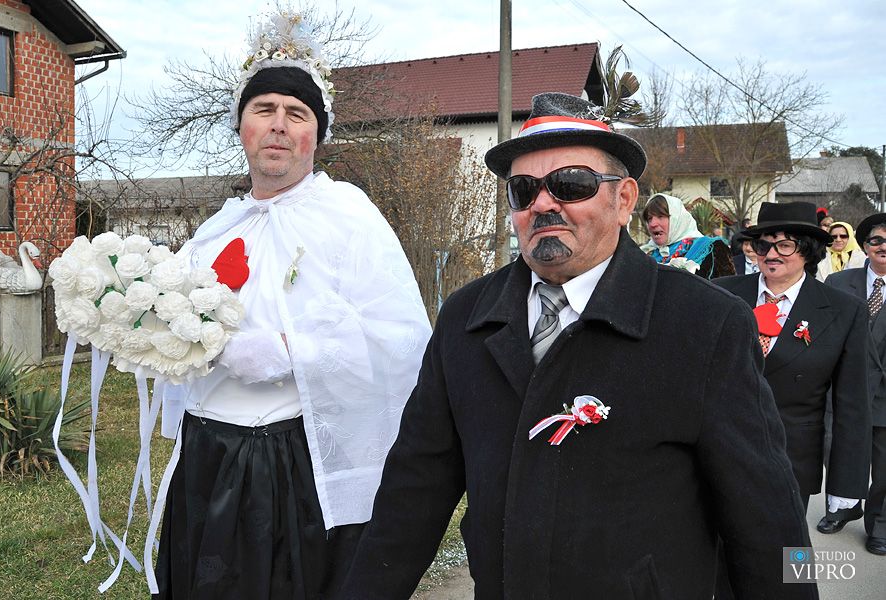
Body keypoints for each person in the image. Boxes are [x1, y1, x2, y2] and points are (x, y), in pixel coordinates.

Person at [339, 93, 816, 599]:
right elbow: (413, 489)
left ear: (624, 200)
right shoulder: (466, 318)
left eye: (571, 184)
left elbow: (771, 514)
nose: (543, 203)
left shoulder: (705, 322)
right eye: (523, 190)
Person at [152, 13, 432, 599]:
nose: (278, 126)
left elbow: (402, 339)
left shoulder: (348, 215)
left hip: (293, 466)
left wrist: (289, 351)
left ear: (317, 135)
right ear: (242, 127)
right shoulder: (214, 230)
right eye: (264, 109)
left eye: (296, 114)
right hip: (208, 457)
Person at [715, 202, 871, 517]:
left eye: (785, 245)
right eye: (763, 245)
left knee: (788, 556)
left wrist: (845, 484)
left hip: (792, 456)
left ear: (809, 251)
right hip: (721, 451)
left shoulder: (843, 310)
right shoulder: (719, 295)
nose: (771, 254)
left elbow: (852, 405)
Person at [821, 212, 886, 555]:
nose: (883, 246)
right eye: (876, 240)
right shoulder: (838, 283)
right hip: (844, 390)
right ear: (865, 246)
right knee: (837, 450)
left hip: (885, 392)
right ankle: (843, 505)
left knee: (885, 464)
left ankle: (881, 523)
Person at [640, 193, 735, 279]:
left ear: (677, 220)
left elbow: (727, 291)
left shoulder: (713, 249)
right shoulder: (646, 254)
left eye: (660, 216)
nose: (652, 224)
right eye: (649, 218)